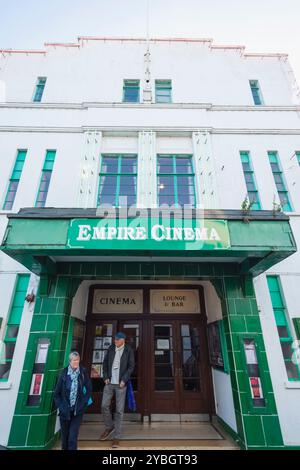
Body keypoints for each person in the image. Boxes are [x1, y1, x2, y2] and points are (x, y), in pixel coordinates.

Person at [100, 332, 135, 448]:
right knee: (104, 405)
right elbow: (104, 363)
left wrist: (124, 380)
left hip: (121, 384)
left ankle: (117, 437)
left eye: (118, 339)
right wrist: (105, 377)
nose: (115, 341)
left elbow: (131, 367)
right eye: (115, 339)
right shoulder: (111, 348)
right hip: (109, 383)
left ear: (123, 340)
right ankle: (109, 427)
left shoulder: (128, 350)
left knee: (119, 411)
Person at [54, 351, 92, 450]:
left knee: (72, 437)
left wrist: (83, 403)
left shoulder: (83, 372)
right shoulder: (63, 374)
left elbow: (88, 389)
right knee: (65, 438)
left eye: (77, 360)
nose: (76, 362)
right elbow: (56, 394)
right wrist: (61, 407)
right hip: (65, 411)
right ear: (70, 361)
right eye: (74, 360)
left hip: (77, 411)